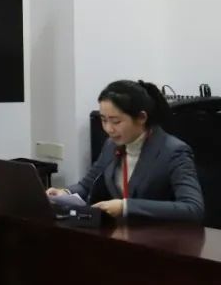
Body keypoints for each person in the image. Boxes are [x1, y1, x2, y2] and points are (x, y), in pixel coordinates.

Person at [46, 80, 204, 223]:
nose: (109, 129)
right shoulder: (111, 145)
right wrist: (64, 193)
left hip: (161, 237)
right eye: (104, 120)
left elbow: (193, 208)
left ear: (141, 117)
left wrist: (126, 207)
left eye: (116, 121)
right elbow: (87, 185)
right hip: (122, 234)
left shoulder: (173, 151)